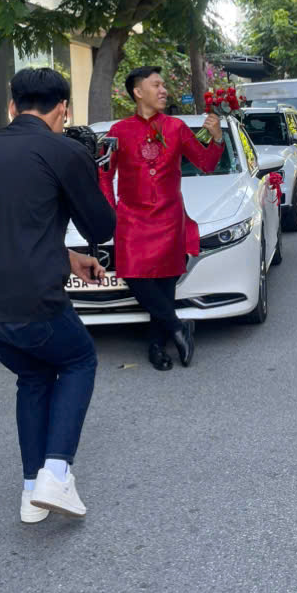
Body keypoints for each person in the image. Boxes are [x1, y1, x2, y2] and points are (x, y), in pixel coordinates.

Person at [0, 68, 115, 525]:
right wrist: (90, 166)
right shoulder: (62, 149)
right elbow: (102, 227)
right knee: (79, 359)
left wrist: (65, 257)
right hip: (30, 301)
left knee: (35, 375)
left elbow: (9, 222)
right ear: (63, 109)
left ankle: (31, 491)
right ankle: (57, 473)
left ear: (11, 106)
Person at [100, 67, 224, 371]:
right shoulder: (117, 131)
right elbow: (104, 174)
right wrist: (111, 211)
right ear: (138, 92)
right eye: (156, 84)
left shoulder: (177, 127)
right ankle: (179, 326)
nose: (163, 89)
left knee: (165, 284)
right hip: (131, 218)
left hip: (169, 217)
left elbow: (206, 164)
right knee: (133, 274)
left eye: (164, 84)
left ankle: (157, 346)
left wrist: (217, 139)